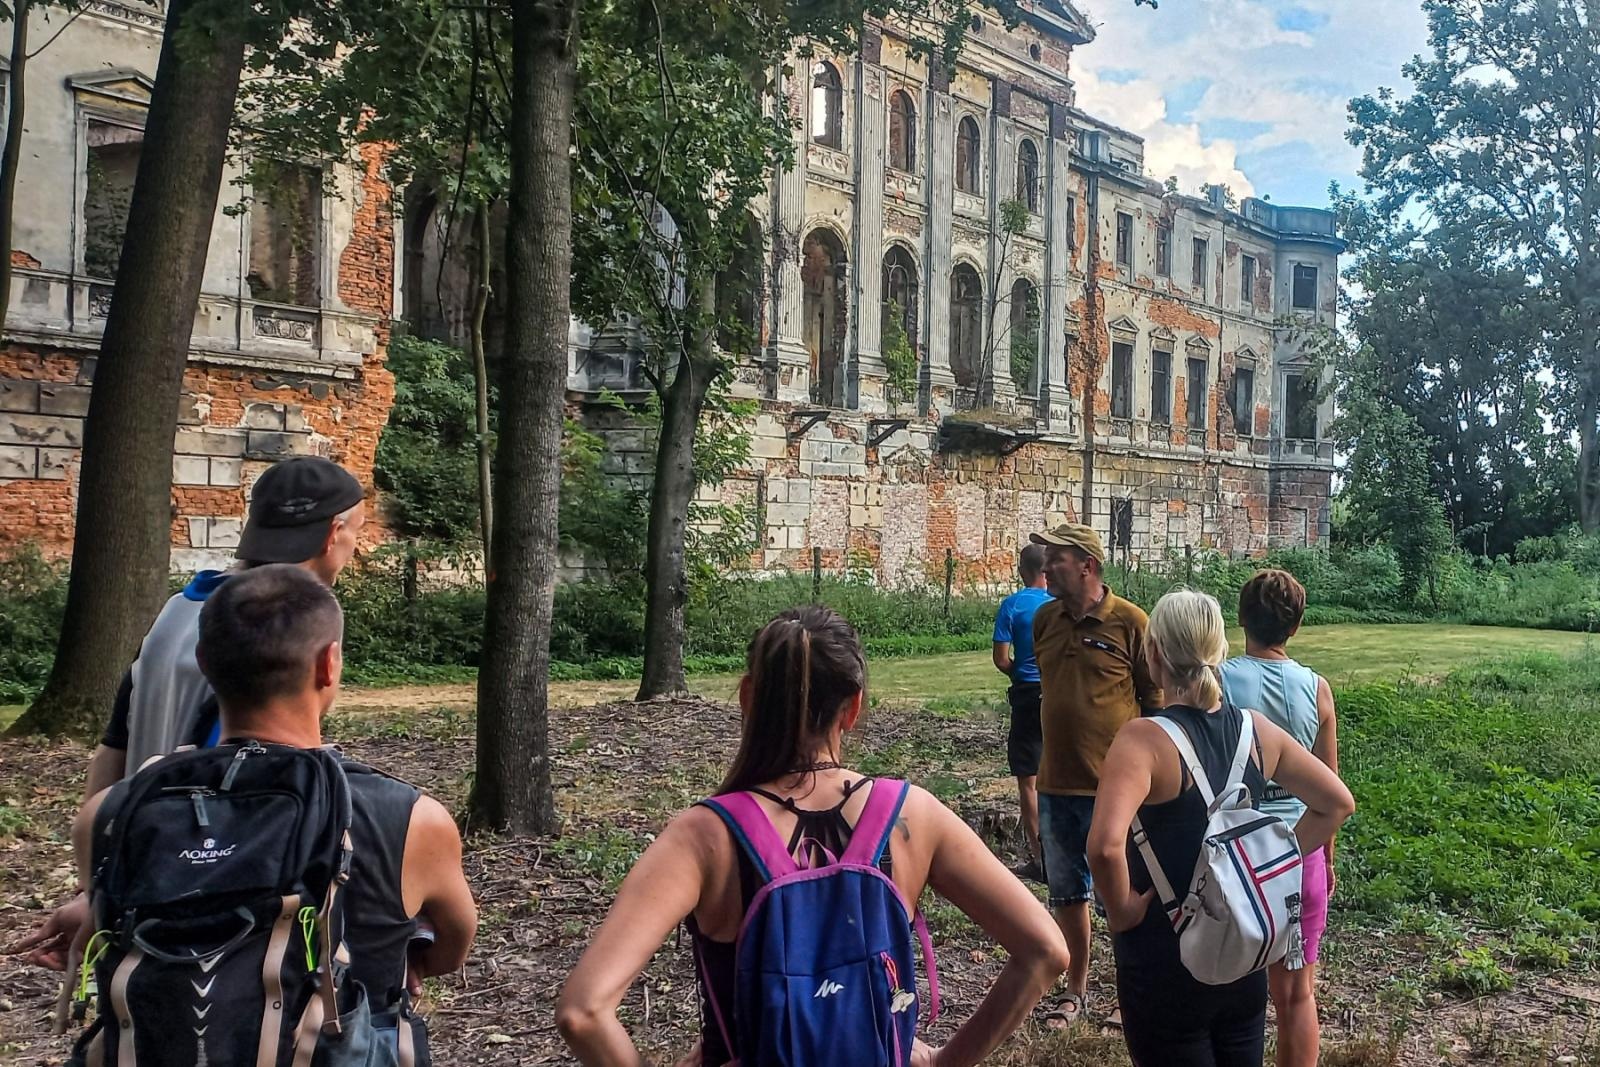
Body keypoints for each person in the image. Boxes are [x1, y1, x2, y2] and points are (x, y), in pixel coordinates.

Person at [556, 607, 1071, 1067]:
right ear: (853, 708)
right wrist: (944, 1061)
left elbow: (583, 1012)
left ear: (747, 697)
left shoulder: (704, 837)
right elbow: (1046, 950)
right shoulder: (912, 814)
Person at [70, 564, 476, 1063]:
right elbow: (452, 945)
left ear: (204, 661)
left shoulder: (109, 815)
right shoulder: (414, 819)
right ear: (329, 664)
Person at [7, 456, 367, 972]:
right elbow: (249, 777)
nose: (355, 544)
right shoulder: (277, 630)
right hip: (211, 901)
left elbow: (113, 751)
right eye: (357, 529)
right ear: (334, 532)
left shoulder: (180, 610)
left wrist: (97, 887)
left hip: (142, 874)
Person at [1087, 589, 1354, 1067]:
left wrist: (1122, 908)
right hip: (1240, 948)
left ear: (1154, 654)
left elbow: (1105, 849)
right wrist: (1280, 857)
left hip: (1164, 955)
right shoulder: (1255, 731)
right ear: (1220, 652)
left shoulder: (1142, 741)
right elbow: (1336, 803)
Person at [1027, 523, 1161, 1024]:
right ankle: (1076, 990)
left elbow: (1154, 700)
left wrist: (1149, 772)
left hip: (1116, 791)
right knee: (1067, 894)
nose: (1045, 567)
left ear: (1087, 564)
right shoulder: (1044, 621)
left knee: (1124, 897)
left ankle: (1135, 995)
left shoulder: (1130, 622)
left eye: (1056, 558)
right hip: (1056, 783)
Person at [1220, 571, 1339, 1067]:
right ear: (1296, 626)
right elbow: (1328, 785)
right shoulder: (1318, 689)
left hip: (1236, 860)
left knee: (1230, 996)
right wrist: (1326, 861)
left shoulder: (1220, 680)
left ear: (1242, 618)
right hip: (1299, 853)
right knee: (1296, 996)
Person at [992, 543, 1053, 882]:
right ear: (1048, 572)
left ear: (1021, 571)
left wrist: (1019, 671)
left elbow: (1001, 659)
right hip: (1058, 693)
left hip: (1027, 695)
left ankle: (1039, 858)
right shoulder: (1059, 604)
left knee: (1028, 780)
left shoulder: (1012, 606)